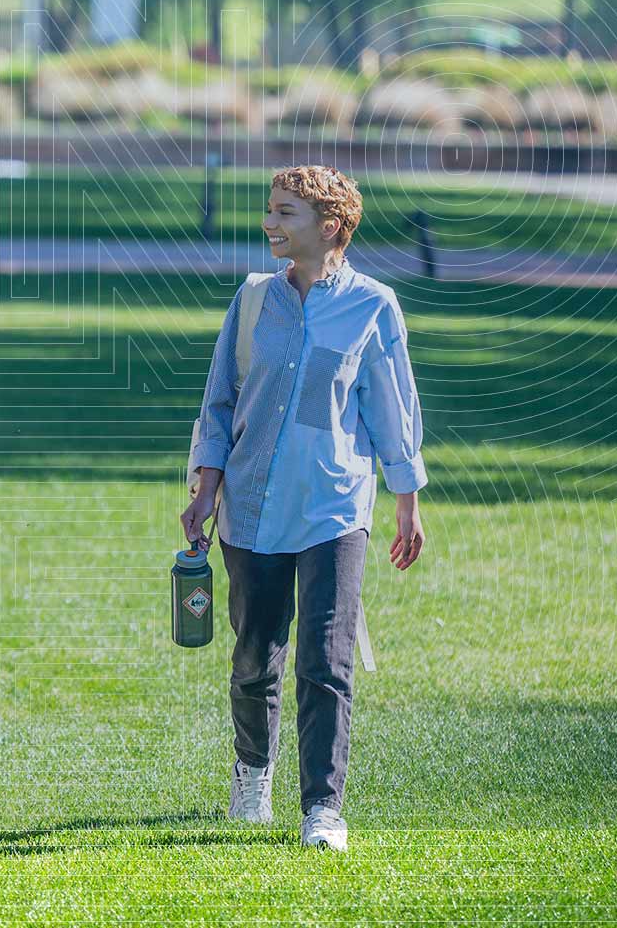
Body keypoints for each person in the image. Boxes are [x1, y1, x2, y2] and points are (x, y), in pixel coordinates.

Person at [181, 164, 428, 853]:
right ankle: (251, 773)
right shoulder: (253, 300)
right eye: (269, 209)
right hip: (251, 506)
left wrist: (407, 500)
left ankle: (322, 806)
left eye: (283, 213)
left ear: (328, 226)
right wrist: (203, 486)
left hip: (334, 505)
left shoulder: (373, 306)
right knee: (254, 655)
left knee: (325, 657)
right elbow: (219, 400)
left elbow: (391, 408)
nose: (269, 223)